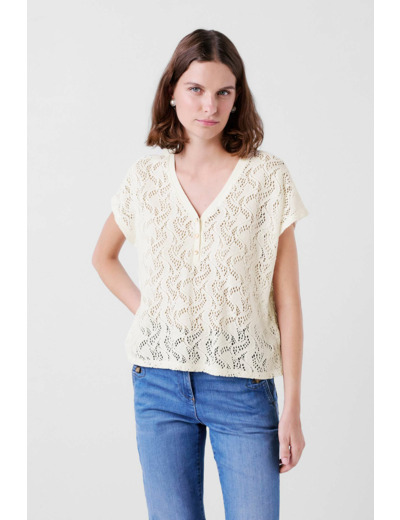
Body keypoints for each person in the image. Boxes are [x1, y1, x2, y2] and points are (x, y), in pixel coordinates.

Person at [92, 28, 308, 520]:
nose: (209, 105)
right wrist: (150, 310)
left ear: (237, 98)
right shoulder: (145, 180)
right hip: (158, 383)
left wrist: (292, 406)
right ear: (172, 91)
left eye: (223, 92)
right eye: (195, 89)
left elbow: (288, 302)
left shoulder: (267, 179)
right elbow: (103, 257)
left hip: (243, 387)